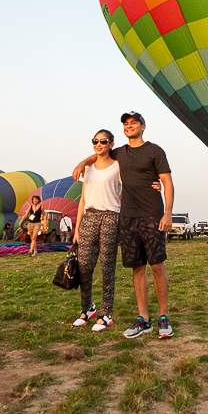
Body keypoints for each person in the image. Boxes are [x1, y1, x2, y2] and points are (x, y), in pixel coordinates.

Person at [73, 111, 174, 339]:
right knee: (137, 268)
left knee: (157, 266)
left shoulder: (155, 151)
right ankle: (143, 319)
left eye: (133, 123)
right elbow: (99, 154)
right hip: (128, 217)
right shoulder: (120, 152)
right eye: (126, 124)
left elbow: (167, 182)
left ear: (143, 126)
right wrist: (82, 163)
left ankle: (163, 317)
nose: (129, 126)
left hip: (152, 214)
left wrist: (167, 213)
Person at [72, 129, 122, 332]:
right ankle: (87, 309)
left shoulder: (118, 166)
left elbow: (132, 187)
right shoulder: (88, 168)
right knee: (84, 267)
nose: (99, 144)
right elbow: (83, 200)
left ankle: (106, 313)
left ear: (111, 144)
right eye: (95, 141)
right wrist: (77, 228)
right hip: (89, 217)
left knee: (107, 267)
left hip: (110, 217)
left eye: (103, 141)